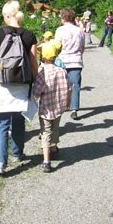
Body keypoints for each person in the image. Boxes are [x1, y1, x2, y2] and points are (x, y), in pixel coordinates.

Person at [0, 0, 38, 176]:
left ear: (7, 16)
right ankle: (17, 153)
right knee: (18, 118)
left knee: (1, 124)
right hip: (22, 84)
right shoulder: (30, 35)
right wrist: (36, 81)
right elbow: (33, 63)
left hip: (3, 84)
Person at [32, 42, 72, 173]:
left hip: (46, 109)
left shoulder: (42, 73)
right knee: (55, 128)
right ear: (55, 56)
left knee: (45, 133)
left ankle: (46, 161)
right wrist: (67, 103)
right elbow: (69, 87)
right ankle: (54, 147)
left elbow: (36, 93)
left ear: (42, 57)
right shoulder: (62, 71)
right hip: (59, 107)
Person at [55, 9, 85, 120]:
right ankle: (74, 109)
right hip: (76, 61)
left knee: (60, 85)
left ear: (64, 18)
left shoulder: (60, 30)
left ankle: (60, 106)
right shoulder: (80, 31)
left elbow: (57, 46)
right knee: (75, 85)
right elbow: (82, 47)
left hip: (62, 61)